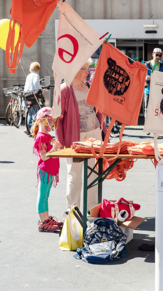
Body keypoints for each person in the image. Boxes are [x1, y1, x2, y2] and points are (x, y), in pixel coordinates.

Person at [56, 59, 107, 212]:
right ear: (75, 70)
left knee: (93, 175)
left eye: (88, 68)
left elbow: (98, 113)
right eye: (85, 69)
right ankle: (72, 212)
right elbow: (59, 118)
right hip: (76, 139)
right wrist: (59, 139)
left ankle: (92, 210)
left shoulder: (90, 87)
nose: (87, 72)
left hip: (94, 136)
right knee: (75, 175)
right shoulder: (65, 90)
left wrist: (104, 134)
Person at [31, 107, 63, 232]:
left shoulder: (46, 136)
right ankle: (43, 222)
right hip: (45, 170)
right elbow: (44, 156)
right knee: (42, 196)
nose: (50, 124)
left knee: (46, 196)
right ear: (40, 121)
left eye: (52, 122)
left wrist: (57, 148)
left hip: (49, 170)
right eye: (48, 121)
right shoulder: (41, 137)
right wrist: (54, 149)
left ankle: (46, 219)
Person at [144, 48, 163, 117]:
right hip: (148, 91)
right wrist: (146, 78)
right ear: (152, 54)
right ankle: (147, 126)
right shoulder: (147, 64)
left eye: (160, 55)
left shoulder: (162, 65)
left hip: (159, 91)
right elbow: (141, 76)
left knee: (157, 110)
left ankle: (155, 127)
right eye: (156, 55)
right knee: (147, 110)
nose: (158, 57)